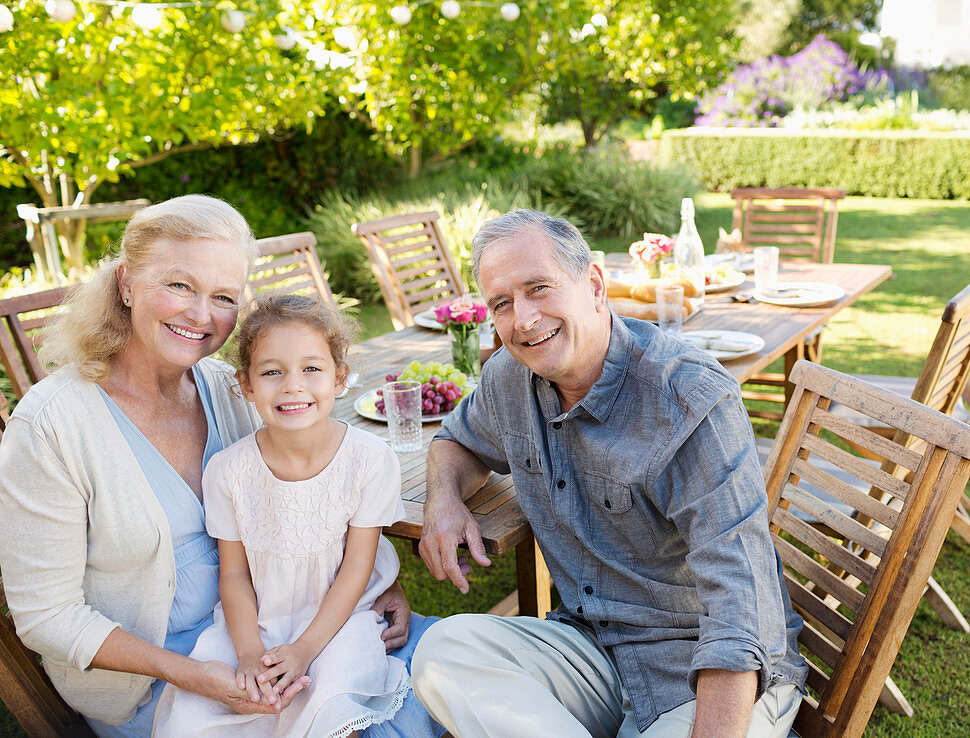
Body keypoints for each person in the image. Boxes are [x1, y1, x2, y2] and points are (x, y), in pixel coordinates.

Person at [0, 195, 440, 738]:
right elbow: (46, 617)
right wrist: (190, 673)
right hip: (157, 680)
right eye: (179, 285)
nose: (202, 315)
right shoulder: (50, 427)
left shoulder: (226, 389)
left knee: (459, 670)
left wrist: (374, 581)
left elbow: (304, 494)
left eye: (224, 296)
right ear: (127, 283)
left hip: (285, 628)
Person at [412, 209, 808, 737]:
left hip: (705, 662)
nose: (523, 318)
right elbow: (455, 442)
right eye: (502, 303)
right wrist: (443, 500)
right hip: (593, 645)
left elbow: (740, 604)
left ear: (594, 285)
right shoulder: (509, 378)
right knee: (444, 650)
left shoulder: (689, 399)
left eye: (539, 288)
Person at [154, 295, 422, 737]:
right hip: (256, 620)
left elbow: (357, 567)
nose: (293, 386)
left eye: (311, 369)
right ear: (246, 385)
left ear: (340, 378)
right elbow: (235, 575)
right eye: (272, 371)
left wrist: (302, 650)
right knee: (198, 718)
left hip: (339, 620)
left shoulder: (370, 461)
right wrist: (247, 653)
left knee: (331, 707)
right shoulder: (228, 471)